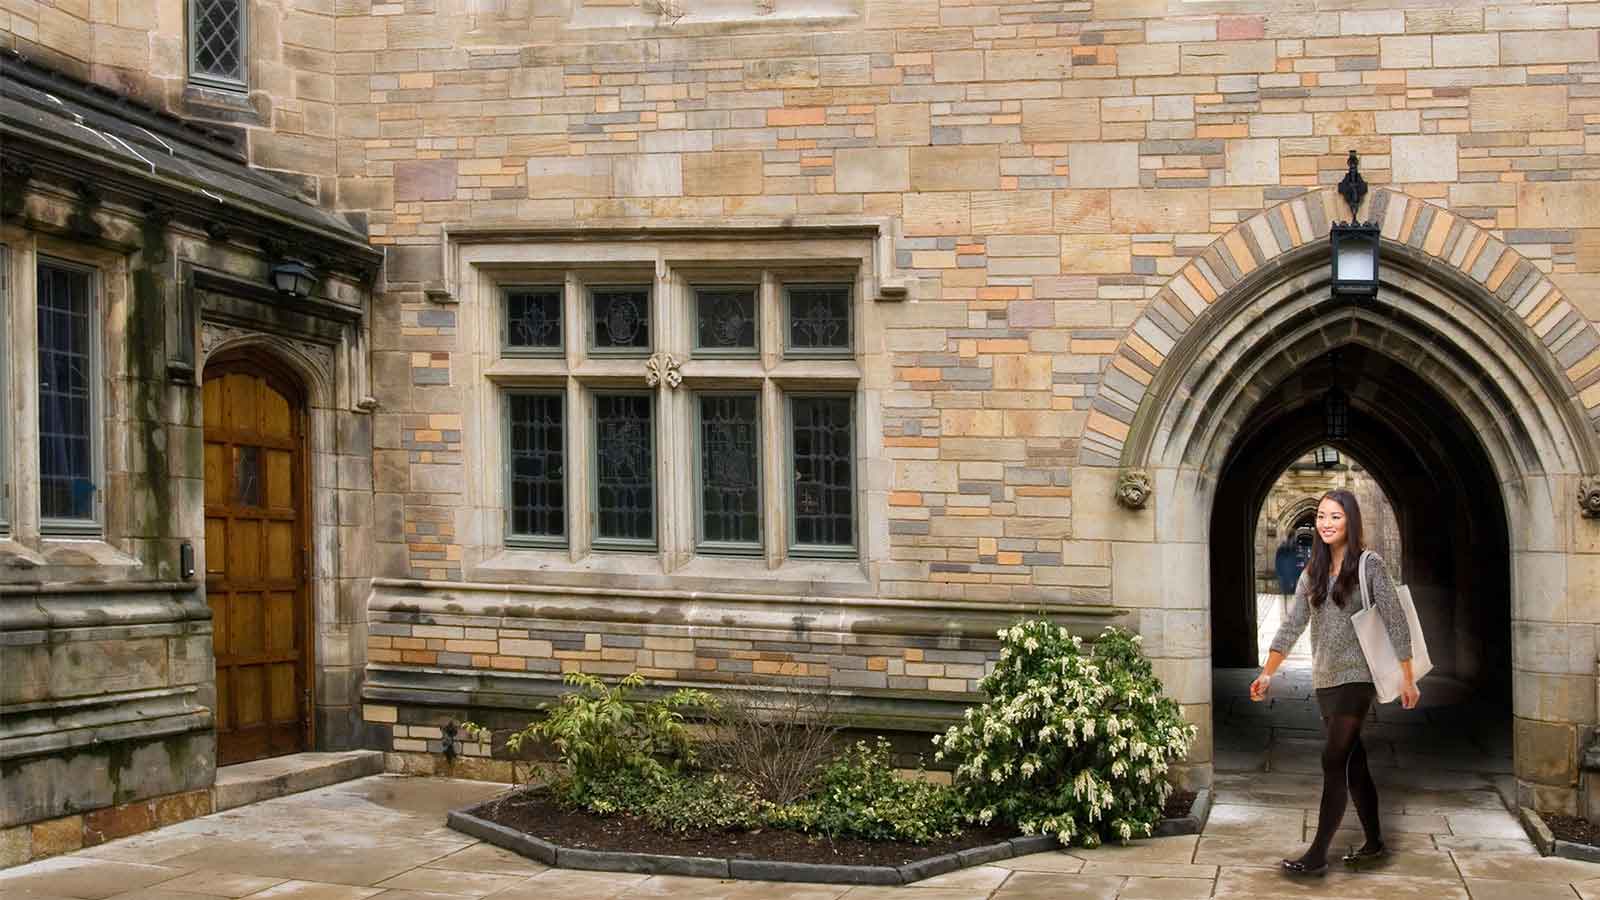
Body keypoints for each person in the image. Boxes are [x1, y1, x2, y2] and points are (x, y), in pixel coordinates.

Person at [1250, 489, 1419, 876]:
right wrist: (1267, 672)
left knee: (1333, 758)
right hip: (1325, 678)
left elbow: (1395, 620)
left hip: (1358, 678)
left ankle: (1317, 855)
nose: (1326, 523)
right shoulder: (1312, 571)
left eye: (1335, 517)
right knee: (1353, 762)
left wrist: (1408, 678)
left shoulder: (1369, 564)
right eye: (1322, 517)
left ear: (1350, 521)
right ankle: (1374, 843)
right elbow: (1293, 624)